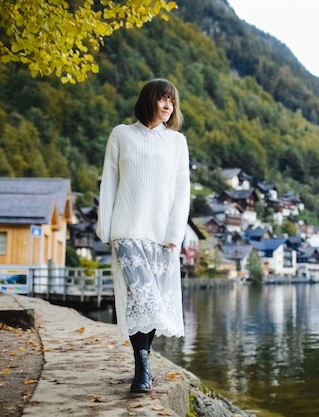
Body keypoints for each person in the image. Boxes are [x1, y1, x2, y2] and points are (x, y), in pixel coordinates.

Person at [96, 78, 190, 393]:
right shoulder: (121, 135)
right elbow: (108, 182)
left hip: (162, 234)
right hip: (127, 230)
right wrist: (105, 227)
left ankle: (143, 366)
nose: (168, 106)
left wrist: (176, 232)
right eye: (163, 99)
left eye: (172, 102)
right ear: (149, 99)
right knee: (142, 298)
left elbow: (182, 191)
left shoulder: (177, 142)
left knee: (152, 303)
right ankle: (143, 370)